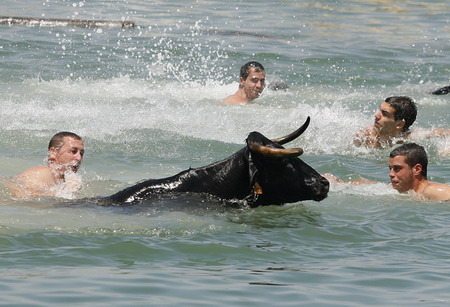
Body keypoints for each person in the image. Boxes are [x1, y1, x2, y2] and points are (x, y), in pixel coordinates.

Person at [324, 143, 450, 201]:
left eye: (397, 169)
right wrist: (335, 183)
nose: (390, 174)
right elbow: (369, 184)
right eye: (390, 168)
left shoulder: (431, 191)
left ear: (417, 169)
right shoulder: (403, 191)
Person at [8, 131, 85, 199]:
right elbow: (22, 200)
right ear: (53, 153)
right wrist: (66, 192)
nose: (79, 158)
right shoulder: (38, 175)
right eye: (73, 151)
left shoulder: (63, 179)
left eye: (81, 153)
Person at [354, 96, 450, 148]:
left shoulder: (409, 138)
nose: (376, 115)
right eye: (380, 110)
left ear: (399, 124)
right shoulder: (366, 135)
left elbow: (446, 133)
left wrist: (447, 147)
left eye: (385, 114)